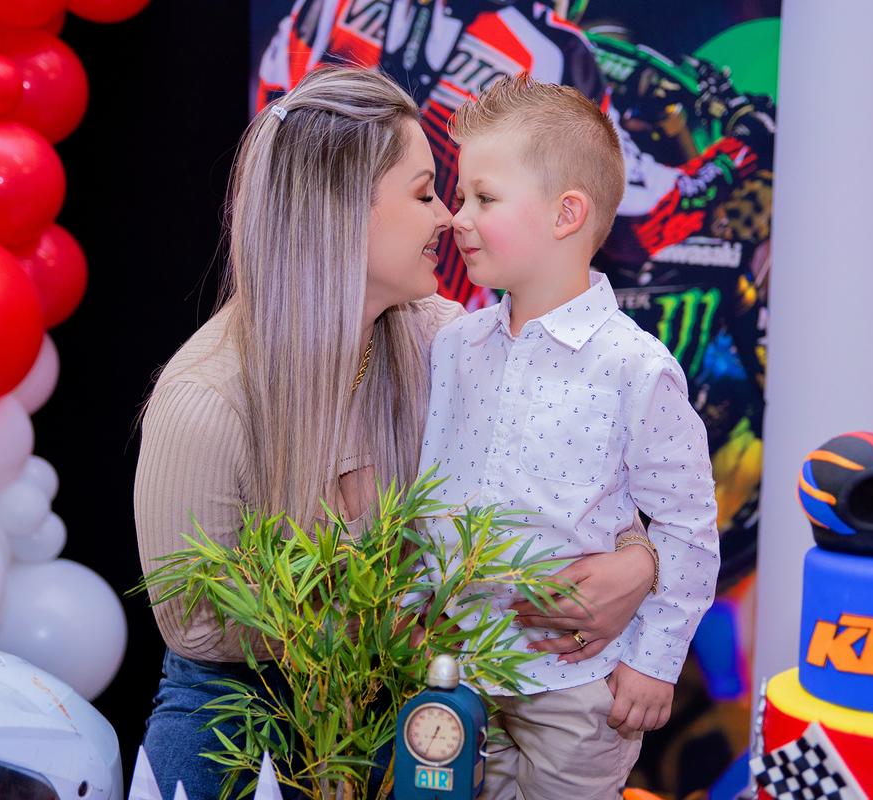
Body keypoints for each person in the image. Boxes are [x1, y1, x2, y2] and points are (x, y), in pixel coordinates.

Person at [133, 66, 658, 800]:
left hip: (405, 687)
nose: (449, 218)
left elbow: (576, 484)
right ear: (340, 214)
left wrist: (640, 561)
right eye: (424, 194)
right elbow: (196, 624)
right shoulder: (205, 399)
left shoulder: (451, 341)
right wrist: (372, 627)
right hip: (246, 701)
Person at [416, 75, 721, 799]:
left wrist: (655, 659)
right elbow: (429, 490)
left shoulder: (634, 367)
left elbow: (685, 522)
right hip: (457, 670)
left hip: (579, 685)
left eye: (483, 199)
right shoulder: (457, 346)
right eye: (461, 199)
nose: (458, 219)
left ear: (566, 214)